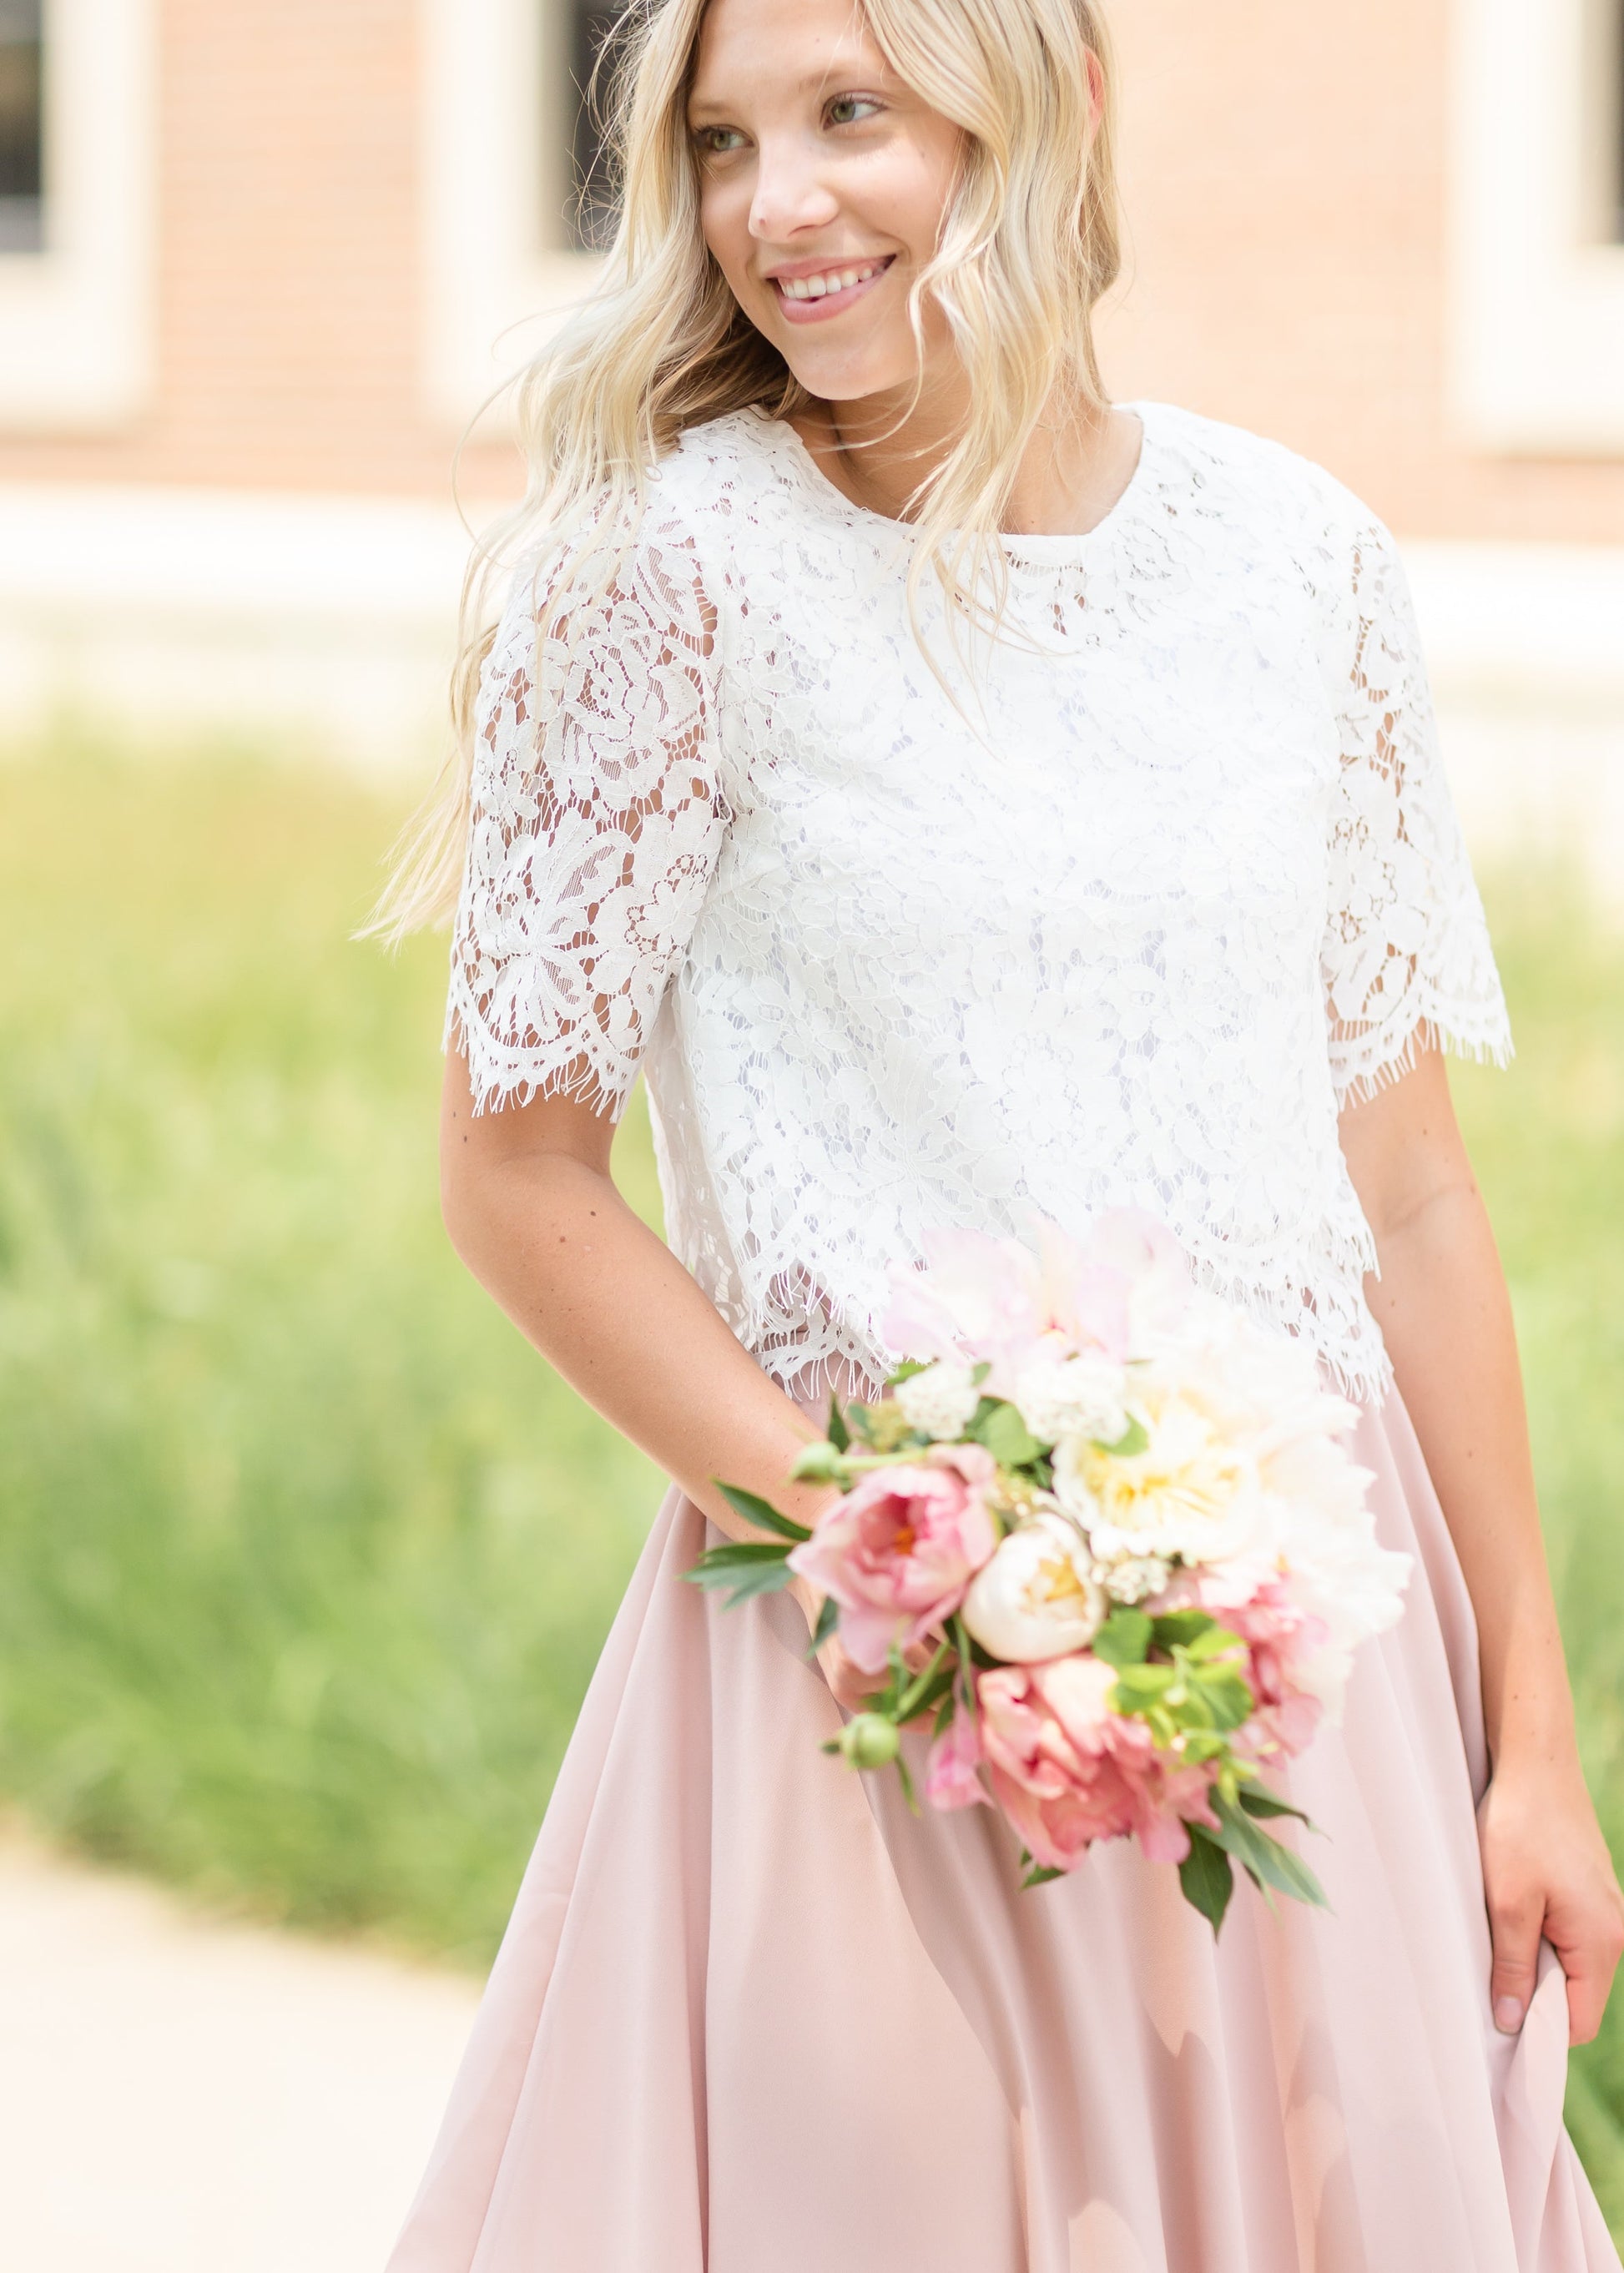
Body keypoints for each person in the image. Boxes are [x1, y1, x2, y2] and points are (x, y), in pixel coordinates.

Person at [376, 0, 1624, 2263]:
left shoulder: (1302, 562)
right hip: (876, 1681)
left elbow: (1411, 1189)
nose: (775, 207)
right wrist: (889, 1566)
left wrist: (1531, 1731)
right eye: (726, 140)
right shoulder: (664, 580)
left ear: (1042, 112)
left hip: (1308, 1658)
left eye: (852, 117)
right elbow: (517, 1170)